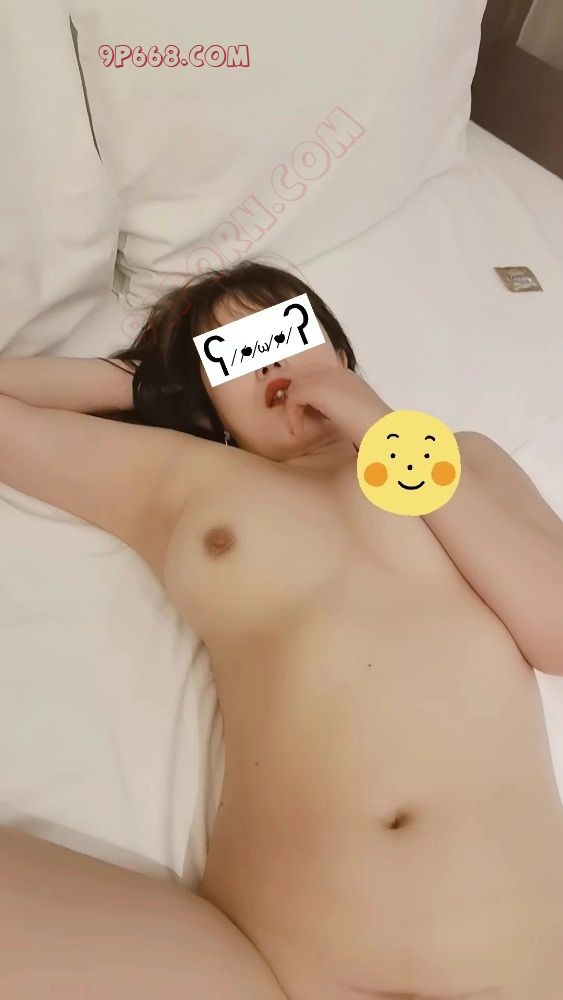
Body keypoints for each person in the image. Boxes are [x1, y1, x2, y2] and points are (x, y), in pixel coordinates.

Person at [0, 259, 562, 1000]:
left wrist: (380, 427)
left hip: (515, 966)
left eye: (282, 332)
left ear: (338, 349)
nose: (265, 360)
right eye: (229, 354)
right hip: (271, 968)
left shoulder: (454, 458)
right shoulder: (182, 476)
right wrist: (149, 383)